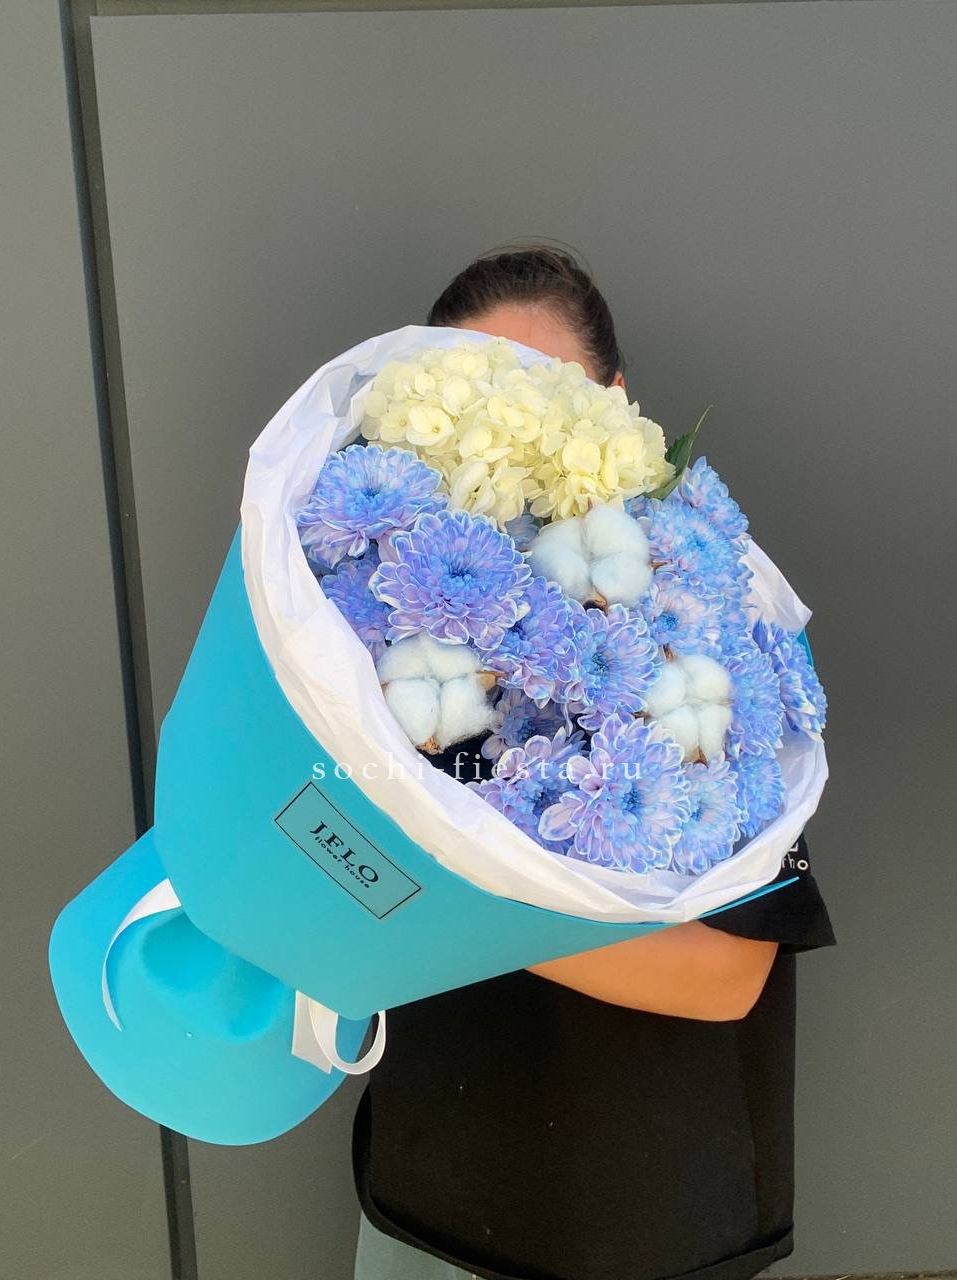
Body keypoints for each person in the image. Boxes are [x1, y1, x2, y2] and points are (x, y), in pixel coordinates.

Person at [351, 243, 837, 1280]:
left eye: (538, 391)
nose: (506, 432)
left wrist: (420, 888)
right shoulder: (376, 608)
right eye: (472, 400)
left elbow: (721, 975)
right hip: (428, 1196)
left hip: (639, 1219)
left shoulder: (698, 627)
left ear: (613, 403)